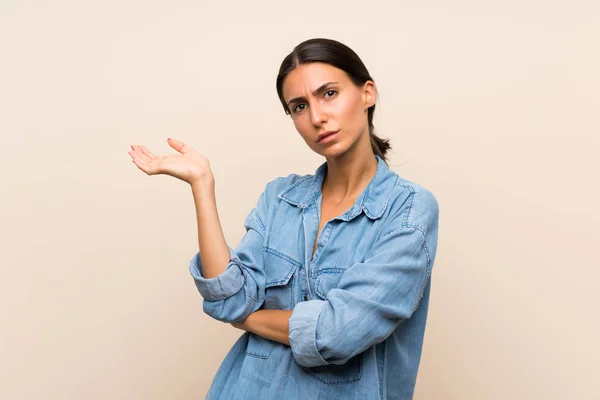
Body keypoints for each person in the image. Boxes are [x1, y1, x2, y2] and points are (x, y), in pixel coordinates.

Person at [128, 38, 439, 400]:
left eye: (329, 93)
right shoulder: (280, 198)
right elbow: (227, 294)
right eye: (299, 106)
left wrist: (243, 317)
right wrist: (202, 184)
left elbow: (338, 333)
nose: (317, 117)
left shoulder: (409, 208)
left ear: (367, 93)